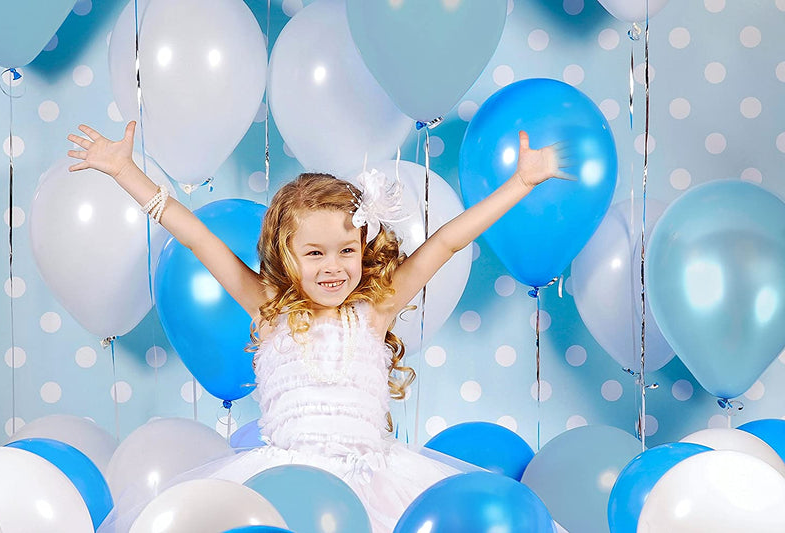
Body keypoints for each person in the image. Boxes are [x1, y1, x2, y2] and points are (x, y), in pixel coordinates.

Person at [68, 121, 570, 532]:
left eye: (346, 251)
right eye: (314, 253)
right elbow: (197, 237)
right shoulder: (268, 308)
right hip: (284, 477)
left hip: (375, 477)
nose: (334, 267)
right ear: (287, 256)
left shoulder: (376, 306)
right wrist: (124, 171)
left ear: (363, 248)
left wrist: (519, 185)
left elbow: (446, 242)